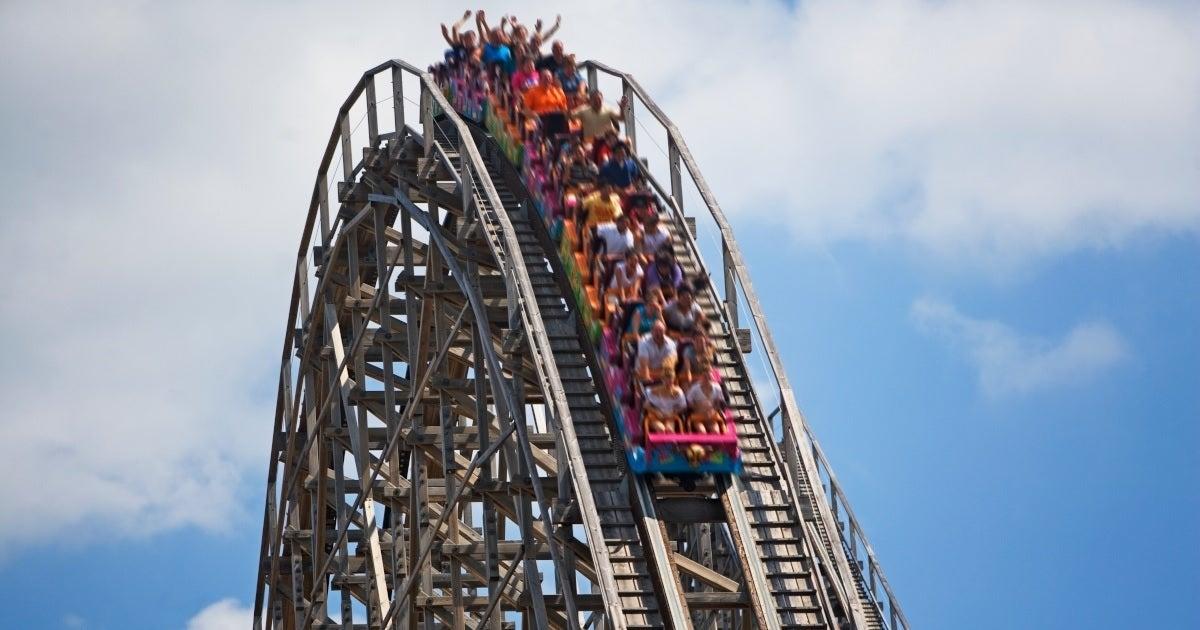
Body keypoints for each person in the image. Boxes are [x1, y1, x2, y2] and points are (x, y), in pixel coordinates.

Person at [522, 70, 569, 136]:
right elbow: (526, 110)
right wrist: (535, 116)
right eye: (545, 78)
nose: (547, 79)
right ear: (540, 79)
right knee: (532, 124)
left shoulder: (558, 92)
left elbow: (564, 109)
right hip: (539, 119)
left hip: (557, 119)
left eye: (549, 77)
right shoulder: (532, 92)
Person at [643, 366, 686, 434]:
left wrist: (673, 413)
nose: (668, 383)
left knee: (669, 430)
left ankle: (671, 443)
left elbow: (683, 407)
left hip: (669, 417)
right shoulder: (652, 391)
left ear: (673, 380)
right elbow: (646, 405)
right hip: (655, 416)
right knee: (661, 429)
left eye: (670, 381)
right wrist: (656, 412)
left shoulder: (678, 392)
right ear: (662, 379)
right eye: (666, 380)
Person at [686, 364, 726, 434]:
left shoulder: (717, 388)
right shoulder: (694, 388)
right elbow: (689, 403)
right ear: (701, 377)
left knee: (716, 431)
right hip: (698, 416)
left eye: (709, 376)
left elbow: (718, 403)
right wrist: (698, 409)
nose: (707, 378)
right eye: (705, 376)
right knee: (702, 432)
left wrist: (713, 410)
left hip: (711, 415)